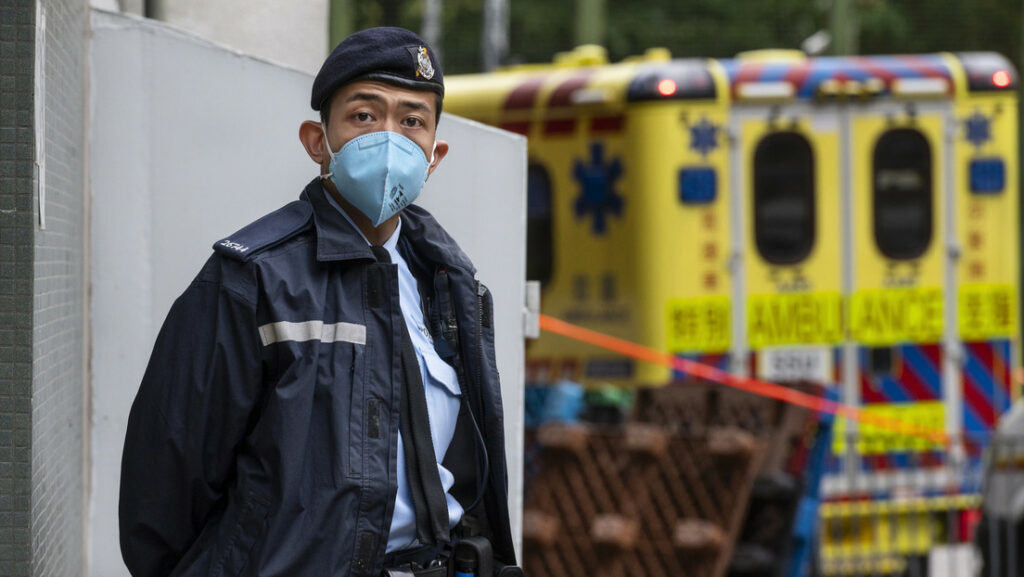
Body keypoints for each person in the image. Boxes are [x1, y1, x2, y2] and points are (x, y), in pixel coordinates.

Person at [119, 27, 518, 577]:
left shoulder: (449, 285)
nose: (389, 139)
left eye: (412, 122)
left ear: (434, 154)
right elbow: (161, 502)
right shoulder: (252, 280)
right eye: (364, 115)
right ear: (317, 141)